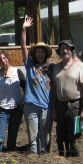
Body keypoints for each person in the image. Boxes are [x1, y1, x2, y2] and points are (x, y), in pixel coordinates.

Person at [52, 40, 83, 157]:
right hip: (60, 105)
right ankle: (61, 158)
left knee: (74, 136)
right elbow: (54, 89)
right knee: (60, 136)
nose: (65, 50)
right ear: (59, 51)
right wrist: (53, 108)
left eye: (67, 48)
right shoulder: (56, 67)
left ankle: (75, 159)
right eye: (62, 48)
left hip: (75, 105)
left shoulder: (79, 65)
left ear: (72, 50)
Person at [21, 16, 54, 154]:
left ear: (45, 54)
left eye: (42, 52)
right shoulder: (29, 65)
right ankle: (33, 156)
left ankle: (44, 154)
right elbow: (23, 46)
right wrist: (23, 30)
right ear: (34, 54)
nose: (40, 54)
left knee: (44, 134)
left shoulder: (51, 68)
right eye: (38, 52)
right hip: (31, 105)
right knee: (32, 135)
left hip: (46, 105)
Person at [0, 51, 26, 152]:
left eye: (4, 58)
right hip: (1, 110)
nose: (3, 61)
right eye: (0, 60)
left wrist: (23, 103)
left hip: (16, 109)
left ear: (8, 58)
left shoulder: (17, 72)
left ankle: (11, 153)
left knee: (13, 136)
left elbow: (26, 88)